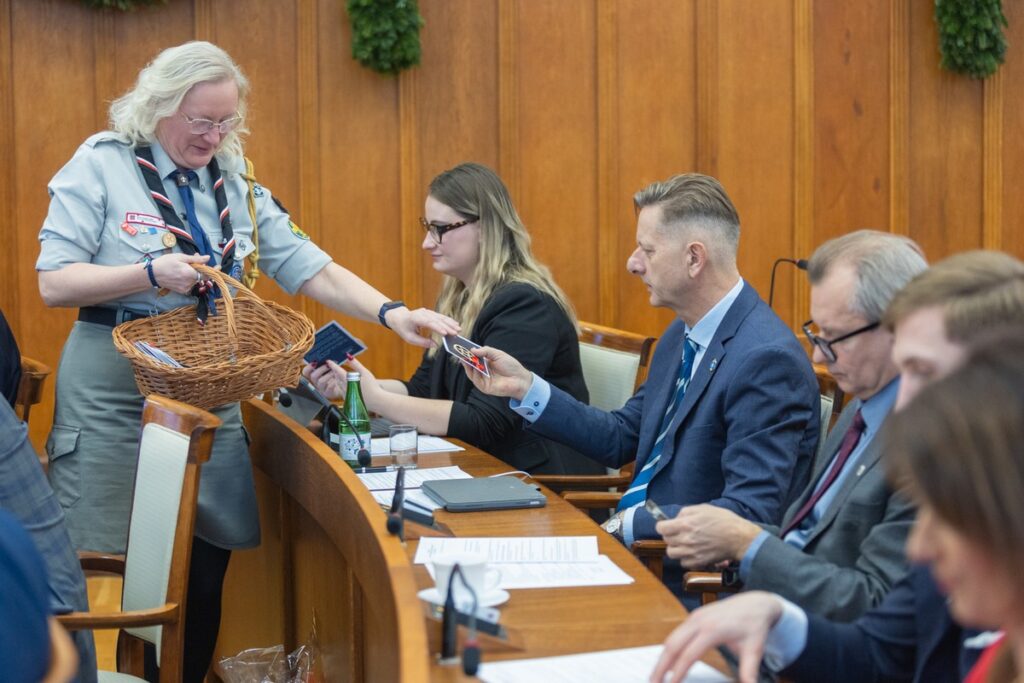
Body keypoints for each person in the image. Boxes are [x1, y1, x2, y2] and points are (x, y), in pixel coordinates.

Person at [35, 41, 457, 682]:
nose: (213, 135)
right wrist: (148, 271)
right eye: (200, 121)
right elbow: (54, 282)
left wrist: (395, 313)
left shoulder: (232, 180)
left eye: (225, 121)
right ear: (157, 108)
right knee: (103, 565)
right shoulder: (102, 165)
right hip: (116, 386)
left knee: (205, 567)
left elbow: (310, 268)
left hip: (210, 383)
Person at [650, 251, 1024, 683]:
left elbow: (871, 605)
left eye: (921, 371)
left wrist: (747, 543)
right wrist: (777, 619)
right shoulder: (955, 482)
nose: (901, 402)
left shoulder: (959, 485)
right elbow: (880, 652)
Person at [466, 173, 819, 576]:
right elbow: (621, 436)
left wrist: (626, 525)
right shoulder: (682, 333)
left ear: (694, 258)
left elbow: (746, 514)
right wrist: (526, 387)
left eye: (647, 250)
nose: (632, 263)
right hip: (632, 555)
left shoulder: (766, 361)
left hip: (684, 581)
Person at [655, 230, 926, 621]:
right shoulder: (859, 410)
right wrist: (729, 540)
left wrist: (747, 542)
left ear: (898, 326)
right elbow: (808, 540)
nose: (817, 355)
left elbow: (873, 602)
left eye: (833, 337)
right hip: (766, 614)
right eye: (817, 331)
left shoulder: (932, 444)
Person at [306, 162, 601, 474]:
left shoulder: (525, 305)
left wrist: (376, 399)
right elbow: (423, 390)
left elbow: (484, 422)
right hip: (486, 468)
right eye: (428, 228)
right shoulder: (461, 296)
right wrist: (353, 388)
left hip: (545, 485)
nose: (427, 243)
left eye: (441, 229)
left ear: (486, 227)